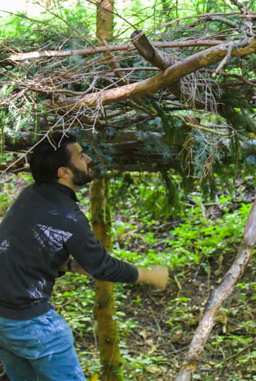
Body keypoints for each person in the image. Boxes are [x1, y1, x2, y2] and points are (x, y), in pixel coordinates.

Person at [0, 133, 169, 380]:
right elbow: (103, 266)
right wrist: (148, 275)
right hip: (30, 323)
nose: (88, 159)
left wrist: (67, 266)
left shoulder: (31, 196)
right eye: (81, 156)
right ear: (64, 172)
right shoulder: (69, 218)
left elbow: (23, 251)